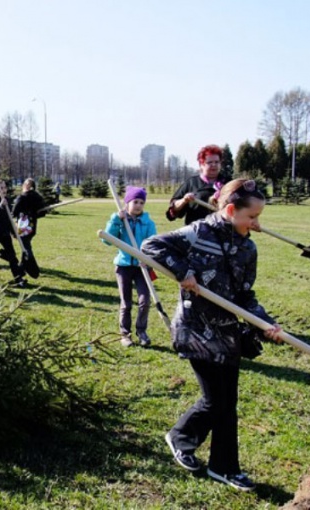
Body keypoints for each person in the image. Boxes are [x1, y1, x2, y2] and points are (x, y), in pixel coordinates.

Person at [141, 178, 282, 492]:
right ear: (231, 210)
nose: (257, 224)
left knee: (222, 402)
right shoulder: (198, 232)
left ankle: (186, 441)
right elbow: (151, 246)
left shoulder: (247, 248)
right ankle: (225, 467)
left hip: (228, 333)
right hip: (196, 330)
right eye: (252, 217)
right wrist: (182, 271)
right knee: (219, 401)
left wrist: (265, 323)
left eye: (259, 217)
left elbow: (246, 296)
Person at [102, 186, 156, 347]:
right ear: (127, 203)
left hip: (142, 267)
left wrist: (147, 258)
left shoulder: (147, 223)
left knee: (144, 300)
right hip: (124, 266)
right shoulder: (120, 220)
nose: (138, 205)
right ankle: (125, 334)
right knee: (126, 303)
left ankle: (142, 331)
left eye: (141, 202)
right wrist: (116, 220)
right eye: (135, 202)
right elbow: (107, 240)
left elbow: (153, 244)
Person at [166, 144, 229, 225]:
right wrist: (184, 200)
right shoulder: (191, 182)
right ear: (201, 165)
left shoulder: (228, 183)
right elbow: (173, 211)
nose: (214, 165)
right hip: (196, 233)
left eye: (217, 162)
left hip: (223, 232)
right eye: (209, 162)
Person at [12, 178, 46, 269]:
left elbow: (14, 212)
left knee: (25, 246)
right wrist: (34, 215)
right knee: (26, 244)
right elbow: (43, 212)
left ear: (27, 186)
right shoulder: (38, 197)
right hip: (32, 225)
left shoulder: (22, 197)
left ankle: (30, 263)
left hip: (23, 225)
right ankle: (23, 264)